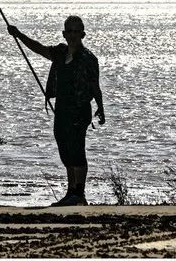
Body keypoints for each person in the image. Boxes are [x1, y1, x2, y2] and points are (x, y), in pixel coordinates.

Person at [7, 15, 105, 206]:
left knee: (77, 150)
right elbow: (38, 48)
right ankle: (70, 192)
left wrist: (101, 108)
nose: (73, 35)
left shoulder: (88, 59)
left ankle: (79, 193)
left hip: (80, 110)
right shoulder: (60, 53)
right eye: (70, 31)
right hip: (62, 110)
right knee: (65, 151)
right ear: (64, 34)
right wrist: (18, 35)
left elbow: (95, 85)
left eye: (77, 31)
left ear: (83, 34)